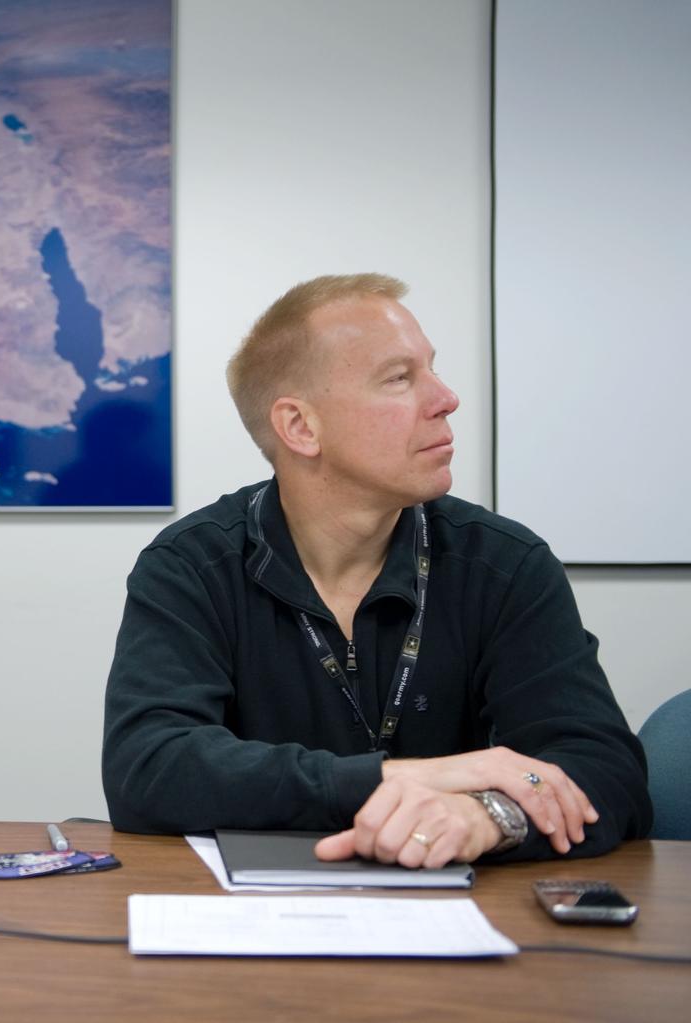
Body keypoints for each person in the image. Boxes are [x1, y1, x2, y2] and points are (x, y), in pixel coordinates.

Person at [102, 273, 651, 865]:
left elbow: (605, 772)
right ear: (301, 428)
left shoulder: (504, 564)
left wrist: (487, 814)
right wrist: (403, 781)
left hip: (465, 922)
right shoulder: (192, 565)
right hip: (244, 925)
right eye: (399, 379)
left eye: (433, 370)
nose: (446, 399)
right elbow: (150, 768)